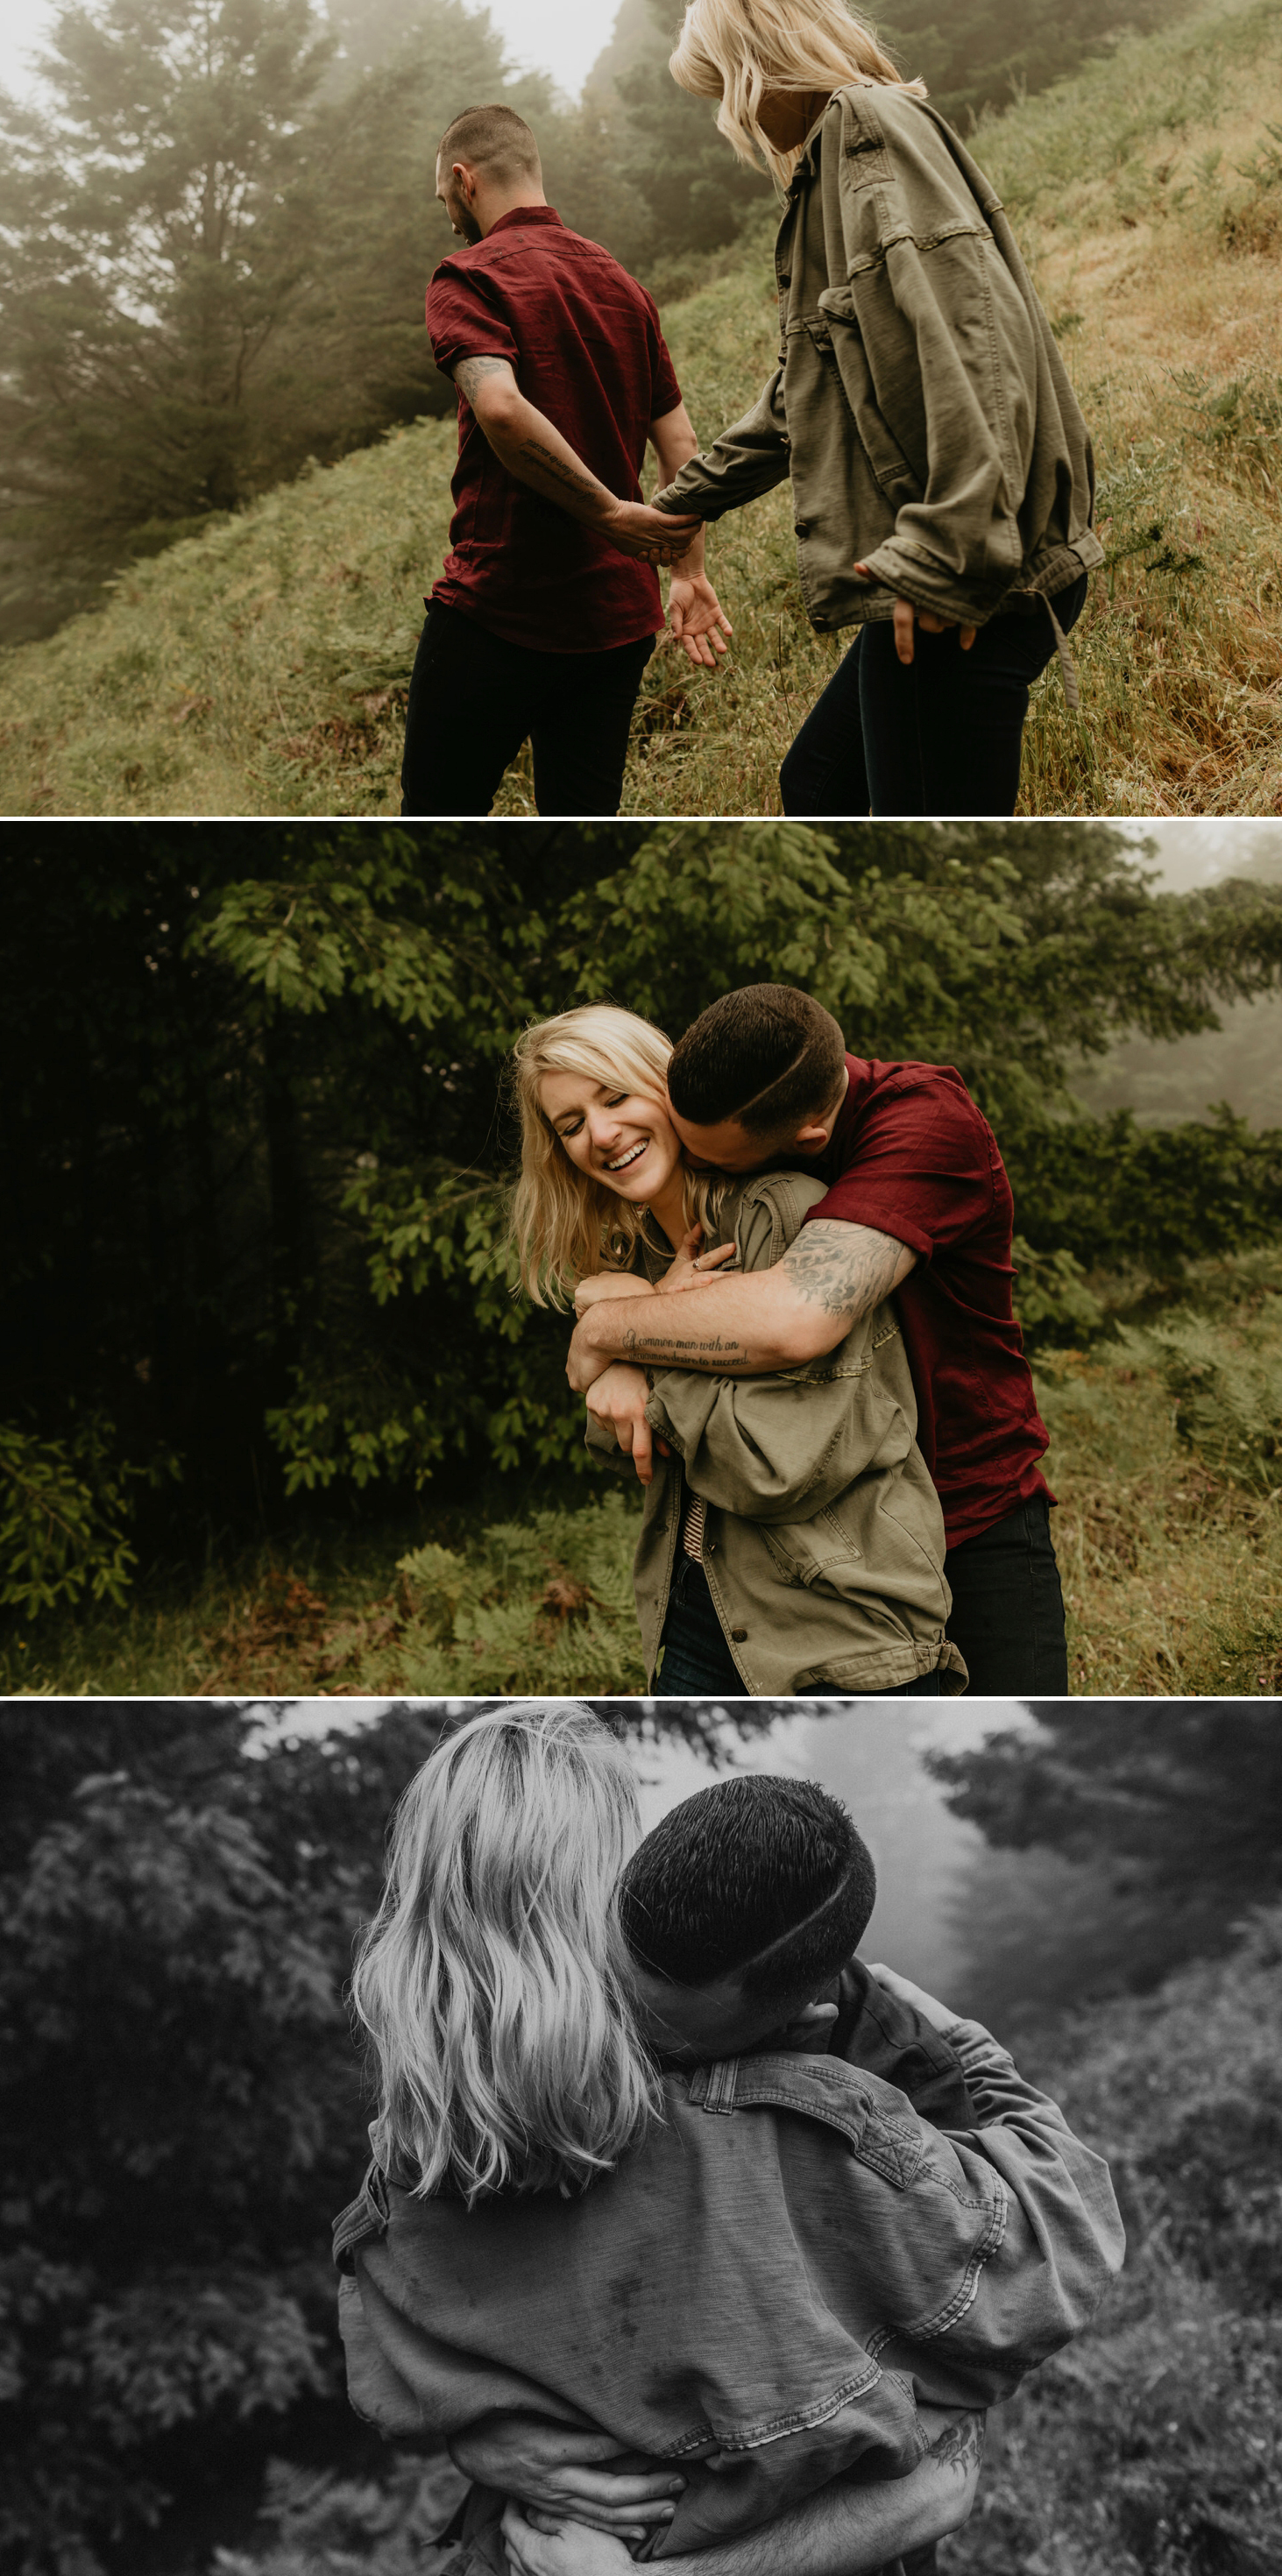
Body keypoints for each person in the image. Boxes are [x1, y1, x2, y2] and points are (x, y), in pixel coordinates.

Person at [333, 1718, 1123, 2576]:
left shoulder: (411, 2166)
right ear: (594, 1902)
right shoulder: (794, 2126)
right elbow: (1059, 2244)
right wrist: (943, 2036)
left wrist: (481, 2439)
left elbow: (393, 2380)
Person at [631, 0, 1102, 817]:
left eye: (718, 89)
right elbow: (802, 386)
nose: (727, 120)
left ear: (754, 63)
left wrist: (944, 555)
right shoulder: (833, 164)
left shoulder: (864, 129)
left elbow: (971, 336)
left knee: (918, 824)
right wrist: (682, 504)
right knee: (820, 782)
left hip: (966, 585)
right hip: (959, 571)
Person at [565, 985, 1068, 1697]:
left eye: (724, 1164)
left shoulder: (923, 1126)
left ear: (807, 1141)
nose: (713, 1178)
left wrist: (613, 1330)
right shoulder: (747, 1100)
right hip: (827, 1544)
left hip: (968, 1510)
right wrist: (618, 1321)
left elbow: (793, 1319)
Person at [510, 1002, 966, 1694]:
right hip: (699, 1606)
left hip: (838, 1624)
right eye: (570, 1125)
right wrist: (634, 1333)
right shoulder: (646, 1251)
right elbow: (622, 1444)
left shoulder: (781, 1213)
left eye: (616, 1096)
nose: (600, 1134)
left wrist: (636, 1335)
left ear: (668, 1087)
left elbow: (774, 1467)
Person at [400, 103, 732, 818]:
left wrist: (611, 514)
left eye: (444, 199)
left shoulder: (467, 277)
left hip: (499, 611)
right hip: (615, 627)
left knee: (432, 819)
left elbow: (499, 408)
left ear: (465, 180)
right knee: (581, 830)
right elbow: (681, 449)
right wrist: (688, 569)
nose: (448, 216)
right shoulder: (621, 284)